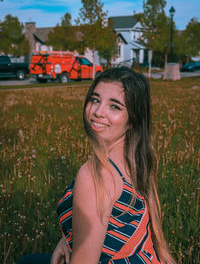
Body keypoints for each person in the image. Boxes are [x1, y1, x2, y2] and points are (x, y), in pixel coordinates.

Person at [19, 67, 175, 264]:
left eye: (115, 106)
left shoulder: (95, 176)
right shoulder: (134, 161)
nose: (98, 112)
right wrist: (70, 239)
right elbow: (120, 223)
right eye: (95, 99)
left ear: (132, 121)